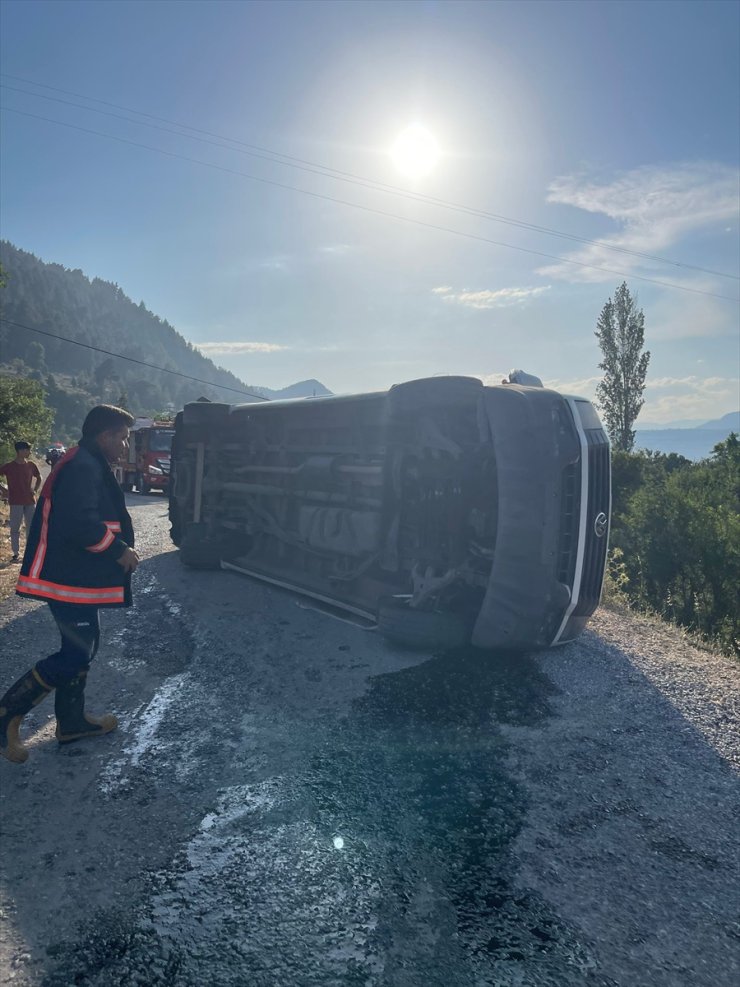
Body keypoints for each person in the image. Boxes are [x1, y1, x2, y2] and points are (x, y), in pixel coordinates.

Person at [0, 405, 140, 764]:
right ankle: (6, 715)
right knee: (76, 652)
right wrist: (118, 550)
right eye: (122, 437)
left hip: (74, 576)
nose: (125, 445)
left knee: (84, 647)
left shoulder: (88, 461)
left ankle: (73, 722)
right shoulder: (82, 466)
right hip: (66, 577)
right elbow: (79, 522)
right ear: (104, 435)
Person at [0, 441, 42, 562]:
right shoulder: (9, 466)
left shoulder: (31, 465)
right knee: (15, 528)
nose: (29, 452)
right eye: (28, 450)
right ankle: (15, 553)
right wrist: (3, 489)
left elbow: (39, 477)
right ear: (20, 451)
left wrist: (35, 489)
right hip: (15, 501)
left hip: (30, 501)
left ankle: (30, 552)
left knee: (31, 527)